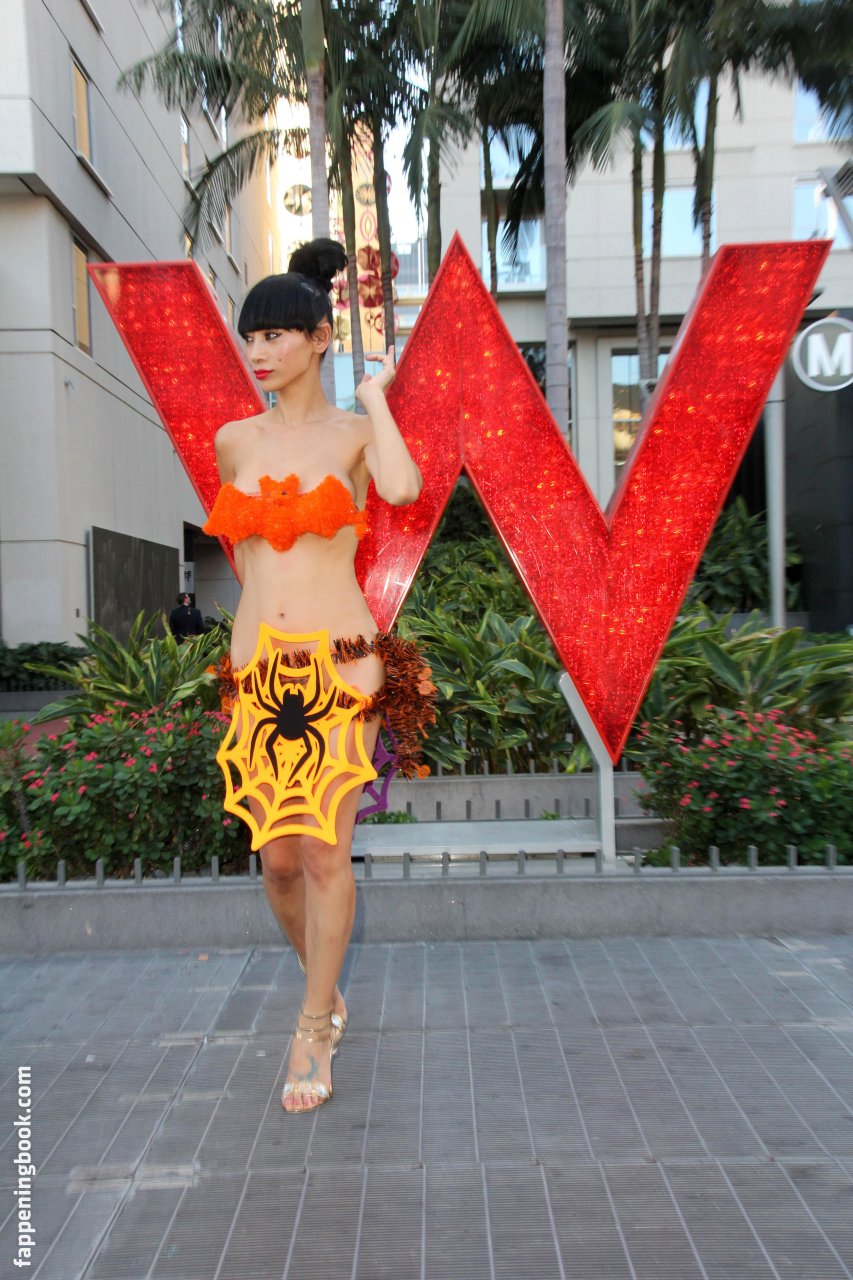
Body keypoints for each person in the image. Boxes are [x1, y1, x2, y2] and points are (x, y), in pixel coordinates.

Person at [202, 238, 432, 1114]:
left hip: (342, 668)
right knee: (277, 864)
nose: (259, 352)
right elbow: (250, 563)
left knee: (326, 853)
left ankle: (311, 1029)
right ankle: (324, 987)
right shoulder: (234, 441)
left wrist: (375, 399)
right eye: (251, 338)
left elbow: (403, 489)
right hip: (258, 674)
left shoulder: (356, 435)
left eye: (275, 335)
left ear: (320, 338)